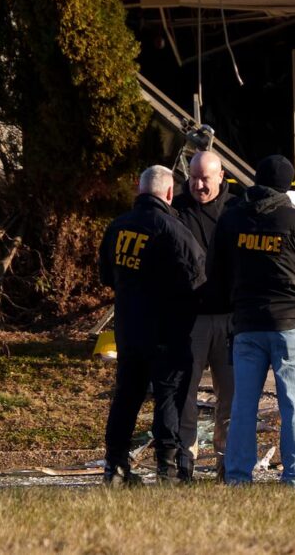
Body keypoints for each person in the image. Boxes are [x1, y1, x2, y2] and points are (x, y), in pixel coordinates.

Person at [212, 155, 295, 488]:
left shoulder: (231, 220)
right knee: (293, 406)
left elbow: (216, 271)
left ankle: (237, 476)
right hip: (290, 324)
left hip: (247, 323)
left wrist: (234, 300)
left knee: (243, 406)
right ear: (288, 186)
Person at [98, 165, 206, 486]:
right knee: (168, 397)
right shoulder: (173, 229)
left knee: (127, 396)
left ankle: (115, 468)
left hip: (129, 331)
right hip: (167, 331)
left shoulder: (118, 227)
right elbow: (199, 280)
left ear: (138, 187)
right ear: (170, 193)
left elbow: (107, 276)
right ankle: (168, 470)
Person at [172, 151, 238, 481]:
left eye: (205, 179)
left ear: (221, 176)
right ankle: (186, 457)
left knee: (231, 393)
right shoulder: (178, 209)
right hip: (191, 317)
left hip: (228, 316)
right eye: (194, 178)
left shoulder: (236, 211)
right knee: (185, 390)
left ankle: (227, 459)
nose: (198, 185)